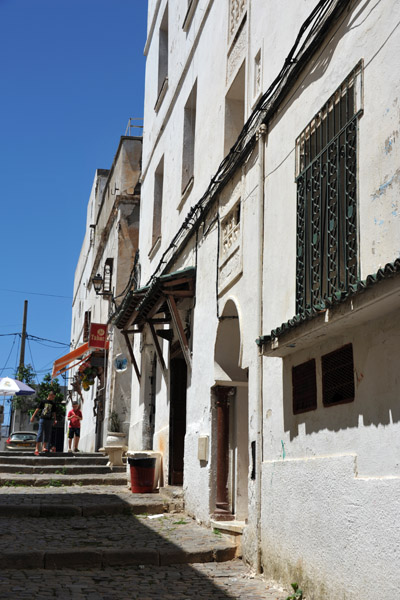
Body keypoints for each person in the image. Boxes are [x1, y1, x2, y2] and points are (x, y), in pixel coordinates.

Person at [30, 391, 57, 455]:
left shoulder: (53, 403)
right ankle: (36, 449)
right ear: (50, 395)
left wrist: (55, 419)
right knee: (40, 433)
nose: (53, 398)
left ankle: (44, 447)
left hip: (49, 420)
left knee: (47, 433)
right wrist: (33, 416)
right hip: (42, 419)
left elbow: (54, 412)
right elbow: (37, 409)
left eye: (54, 397)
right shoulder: (43, 401)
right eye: (52, 397)